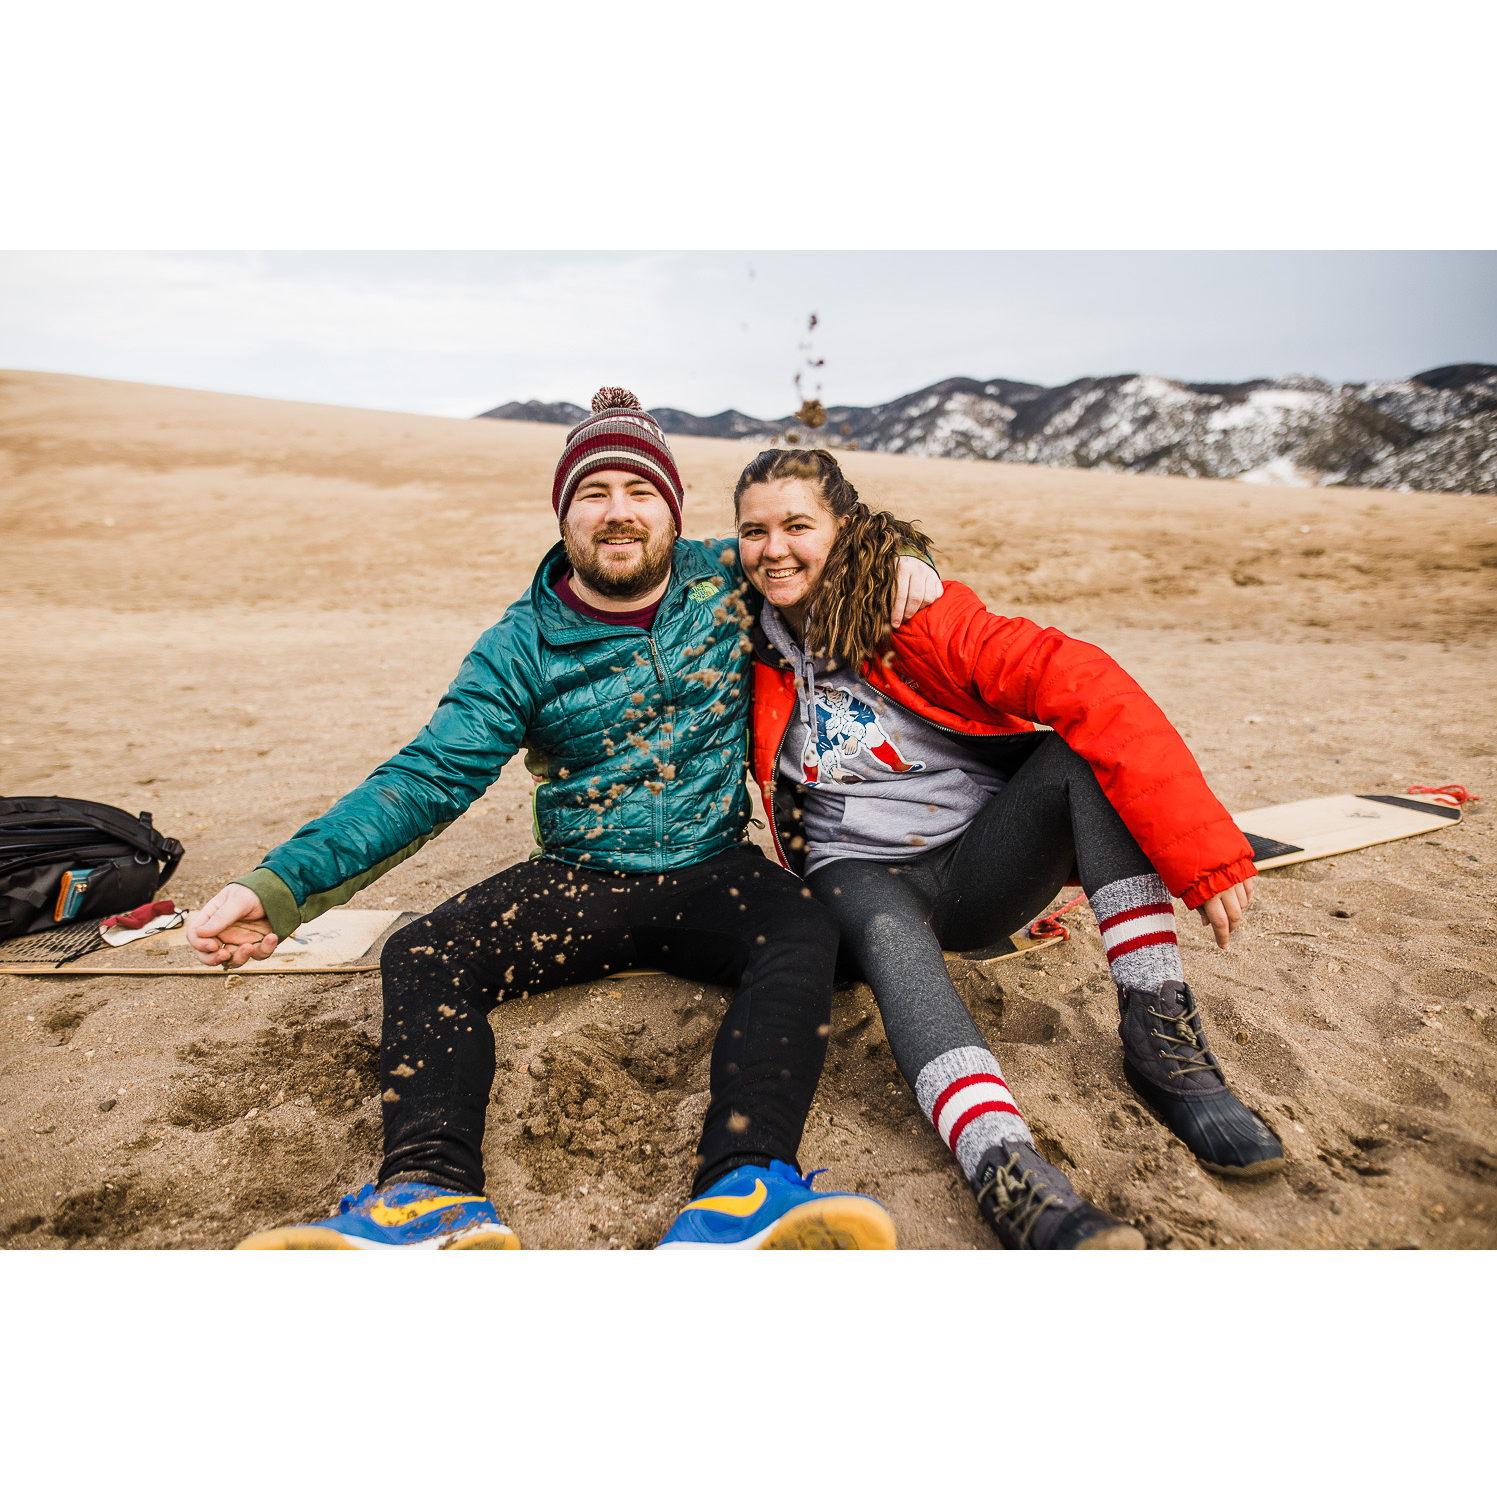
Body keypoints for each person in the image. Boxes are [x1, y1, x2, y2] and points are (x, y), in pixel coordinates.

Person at [187, 390, 942, 1251]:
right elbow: (427, 776)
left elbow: (824, 540)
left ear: (671, 508)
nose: (618, 512)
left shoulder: (725, 582)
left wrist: (905, 556)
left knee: (807, 933)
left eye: (639, 491)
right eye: (595, 492)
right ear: (565, 513)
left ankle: (742, 1186)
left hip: (713, 868)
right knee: (423, 955)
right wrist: (281, 887)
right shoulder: (522, 644)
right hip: (580, 878)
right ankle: (429, 1194)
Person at [735, 446, 1285, 1251]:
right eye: (754, 531)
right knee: (886, 932)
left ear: (846, 527)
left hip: (977, 865)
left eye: (796, 525)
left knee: (1077, 759)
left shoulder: (918, 614)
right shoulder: (734, 633)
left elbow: (1084, 680)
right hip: (856, 872)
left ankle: (1161, 1038)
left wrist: (1199, 849)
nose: (774, 548)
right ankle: (1001, 1163)